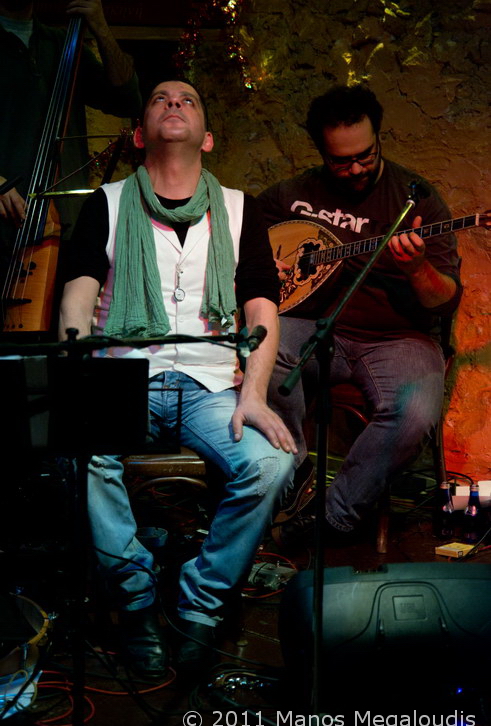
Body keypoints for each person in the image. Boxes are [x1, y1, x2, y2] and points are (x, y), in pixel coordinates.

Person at [58, 79, 296, 680]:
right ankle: (135, 598)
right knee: (81, 451)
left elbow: (261, 309)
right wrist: (81, 372)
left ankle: (201, 603)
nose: (174, 103)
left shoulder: (241, 208)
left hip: (209, 383)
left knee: (271, 463)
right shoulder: (107, 202)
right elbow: (77, 295)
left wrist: (255, 393)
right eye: (160, 99)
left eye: (188, 99)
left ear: (207, 138)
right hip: (123, 375)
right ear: (140, 135)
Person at [258, 84, 462, 545]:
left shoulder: (418, 201)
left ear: (379, 138)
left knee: (414, 411)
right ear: (321, 152)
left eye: (365, 156)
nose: (354, 169)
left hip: (397, 339)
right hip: (312, 326)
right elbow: (242, 235)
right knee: (257, 347)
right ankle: (295, 477)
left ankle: (330, 517)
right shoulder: (294, 194)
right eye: (340, 160)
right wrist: (260, 260)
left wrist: (418, 268)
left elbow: (445, 301)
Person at [0, 0, 141, 310]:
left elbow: (126, 100)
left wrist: (100, 26)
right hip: (4, 226)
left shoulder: (61, 43)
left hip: (63, 230)